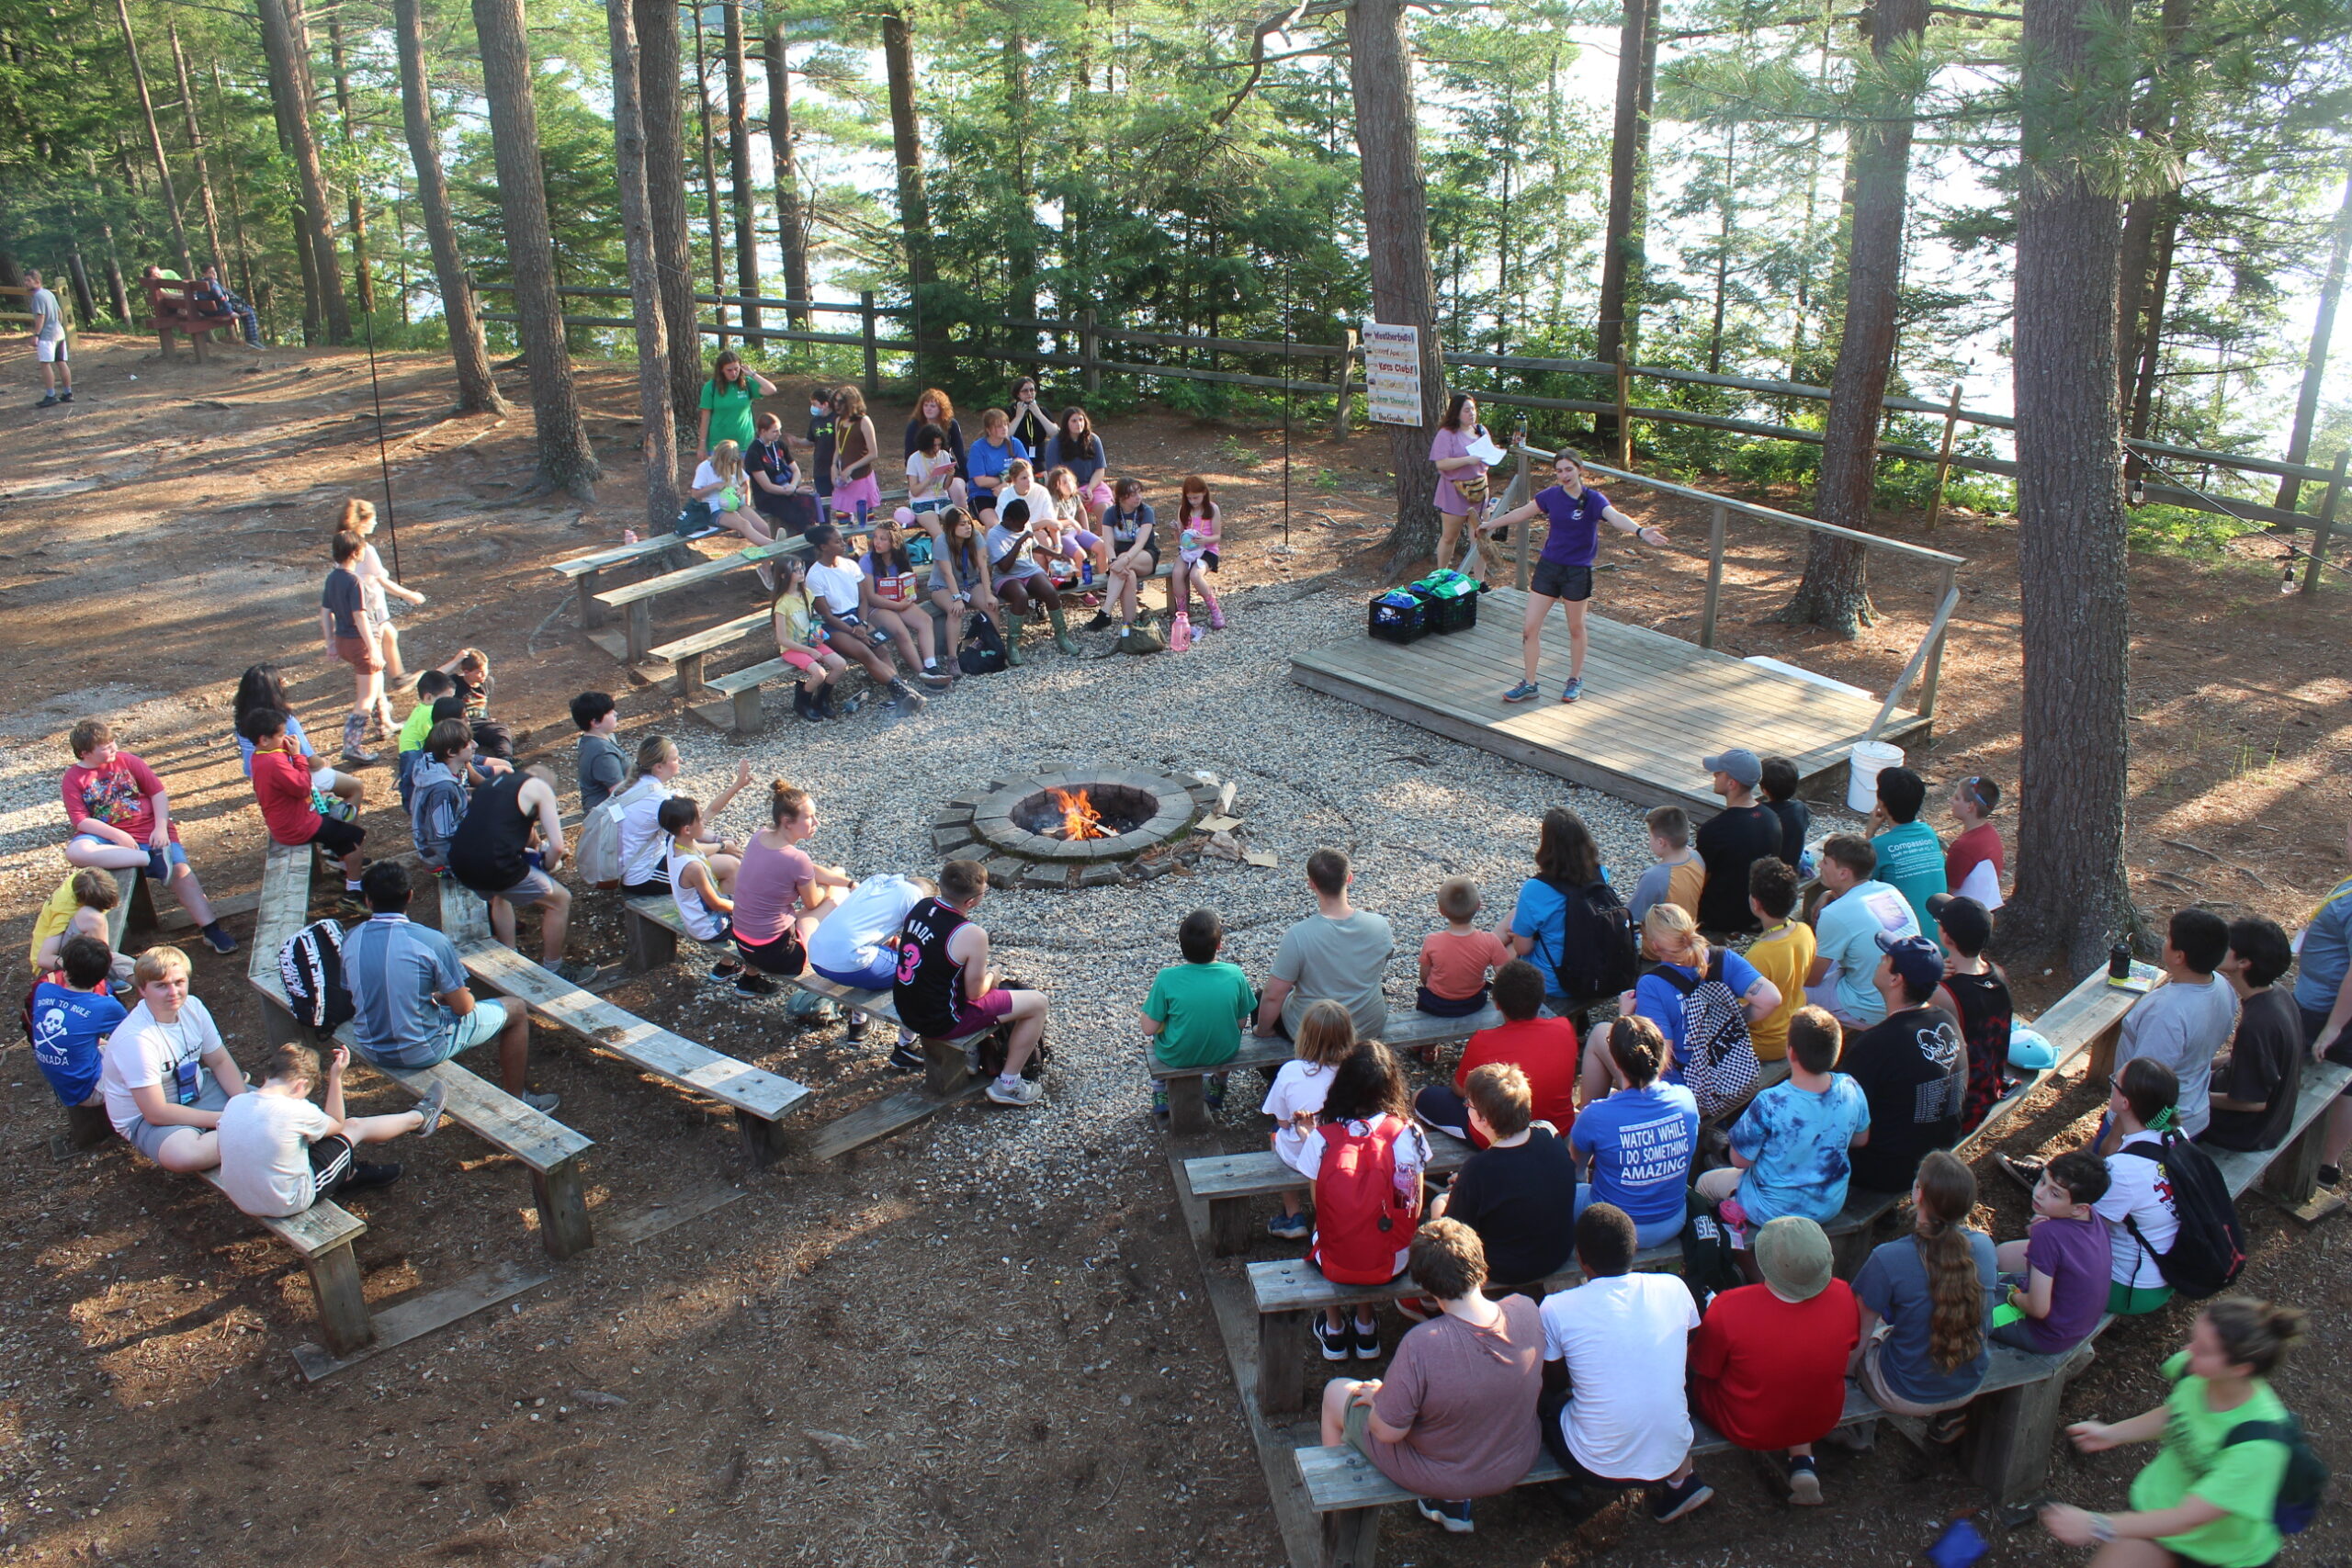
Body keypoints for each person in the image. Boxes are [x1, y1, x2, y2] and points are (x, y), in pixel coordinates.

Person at [2039, 1296, 2308, 1568]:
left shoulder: (2257, 1445)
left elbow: (2189, 1517)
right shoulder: (2198, 1373)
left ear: (2241, 1369)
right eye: (2194, 1340)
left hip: (2221, 1555)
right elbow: (2179, 1414)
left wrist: (2097, 1525)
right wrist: (2112, 1434)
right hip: (2157, 1513)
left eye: (2203, 1350)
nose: (2188, 1351)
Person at [1317, 1218, 1544, 1537]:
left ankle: (1338, 1515)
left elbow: (1387, 1431)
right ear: (1481, 1264)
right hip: (1514, 1458)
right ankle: (1451, 1505)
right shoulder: (1526, 1309)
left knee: (1335, 1392)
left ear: (1426, 1287)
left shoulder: (1424, 1343)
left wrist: (1382, 1397)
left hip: (1443, 1472)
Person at [1537, 1202, 1714, 1523]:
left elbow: (1554, 1384)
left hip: (1594, 1465)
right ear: (1634, 1248)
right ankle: (1680, 1482)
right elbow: (1689, 1338)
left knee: (1544, 1405)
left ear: (1580, 1257)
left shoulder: (1555, 1307)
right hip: (1671, 1452)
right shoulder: (1674, 1286)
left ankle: (1565, 1486)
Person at [343, 862, 553, 1111]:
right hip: (421, 1049)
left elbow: (355, 989)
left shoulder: (351, 938)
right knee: (516, 1009)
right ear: (410, 896)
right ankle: (519, 1099)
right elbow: (464, 1008)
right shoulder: (431, 941)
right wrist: (453, 996)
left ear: (368, 901)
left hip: (371, 1045)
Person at [1690, 1215, 1860, 1505]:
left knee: (1693, 1377)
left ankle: (1680, 1478)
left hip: (1747, 1424)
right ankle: (1802, 1460)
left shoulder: (1730, 1307)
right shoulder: (1844, 1294)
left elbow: (1704, 1367)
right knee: (1796, 1373)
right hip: (1821, 1417)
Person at [1476, 449, 1667, 705]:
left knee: (1575, 628)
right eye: (1559, 471)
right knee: (1529, 628)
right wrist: (1492, 524)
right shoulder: (1551, 496)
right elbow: (1523, 512)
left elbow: (1615, 517)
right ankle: (1530, 683)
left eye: (1569, 469)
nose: (1564, 475)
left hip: (1577, 572)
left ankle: (1575, 680)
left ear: (1580, 470)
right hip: (1549, 567)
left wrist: (1641, 531)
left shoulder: (1593, 500)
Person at [1850, 1150, 1997, 1437]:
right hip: (1968, 1384)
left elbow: (1857, 1333)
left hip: (1904, 1392)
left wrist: (1843, 1378)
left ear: (1919, 1193)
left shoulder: (1888, 1257)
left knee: (1871, 1327)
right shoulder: (1984, 1247)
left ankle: (1855, 1430)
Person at [59, 718, 236, 953]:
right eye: (105, 747)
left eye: (113, 743)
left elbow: (158, 793)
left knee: (181, 871)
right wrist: (117, 835)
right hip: (109, 837)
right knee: (75, 851)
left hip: (149, 829)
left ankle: (211, 930)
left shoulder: (128, 760)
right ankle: (149, 859)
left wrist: (160, 828)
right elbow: (80, 819)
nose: (113, 749)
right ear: (85, 753)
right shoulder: (73, 778)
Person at [1580, 903, 1778, 1107]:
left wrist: (1626, 1018)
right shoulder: (1723, 958)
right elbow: (1770, 999)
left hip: (1687, 1092)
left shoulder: (1652, 985)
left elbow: (1657, 1062)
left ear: (1655, 945)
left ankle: (1586, 1118)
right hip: (1733, 1072)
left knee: (1599, 1033)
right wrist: (1733, 1020)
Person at [1302, 1043, 1428, 1359]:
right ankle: (1366, 1327)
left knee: (1322, 1231)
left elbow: (1321, 1206)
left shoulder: (1323, 1137)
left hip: (1337, 1261)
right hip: (1393, 1260)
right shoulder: (1407, 1135)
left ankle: (1333, 1330)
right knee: (1374, 1229)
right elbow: (1411, 1204)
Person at [1695, 1007, 1871, 1231]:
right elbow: (1860, 1139)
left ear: (1792, 1052)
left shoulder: (1770, 1102)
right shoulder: (1850, 1087)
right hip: (1827, 1204)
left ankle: (1717, 1237)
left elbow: (1740, 1160)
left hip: (1771, 1210)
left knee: (1704, 1183)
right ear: (1837, 1050)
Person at [217, 1043, 441, 1217]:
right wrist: (336, 1076)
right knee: (354, 1127)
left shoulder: (236, 1103)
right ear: (300, 1085)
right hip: (287, 1200)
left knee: (301, 1141)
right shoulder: (294, 1109)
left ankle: (350, 1174)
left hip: (243, 1199)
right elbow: (337, 1124)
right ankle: (420, 1119)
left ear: (268, 1077)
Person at [894, 859, 1049, 1106]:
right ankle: (1007, 1085)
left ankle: (973, 1053)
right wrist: (992, 976)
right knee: (1038, 1004)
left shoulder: (922, 906)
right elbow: (976, 993)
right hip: (940, 1020)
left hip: (906, 1006)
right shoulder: (971, 934)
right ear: (971, 902)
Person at [1427, 1063, 1578, 1289]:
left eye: (1468, 1105)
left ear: (1483, 1119)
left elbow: (1457, 1230)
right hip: (1557, 1252)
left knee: (1439, 1204)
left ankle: (1427, 1302)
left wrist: (1455, 1195)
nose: (1466, 1108)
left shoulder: (1478, 1170)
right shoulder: (1550, 1136)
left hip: (1504, 1268)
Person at [98, 946, 247, 1172]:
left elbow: (220, 1061)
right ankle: (250, 1133)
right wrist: (227, 1119)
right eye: (161, 985)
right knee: (184, 1156)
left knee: (276, 1109)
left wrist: (244, 1104)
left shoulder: (193, 1007)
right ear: (142, 990)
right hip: (148, 1117)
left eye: (179, 982)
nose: (173, 992)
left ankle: (244, 1133)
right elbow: (156, 1112)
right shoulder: (136, 1039)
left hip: (198, 1089)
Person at [446, 763, 597, 985]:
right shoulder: (540, 788)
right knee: (560, 900)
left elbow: (511, 828)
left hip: (459, 861)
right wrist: (547, 865)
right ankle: (554, 968)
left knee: (499, 893)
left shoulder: (494, 784)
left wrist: (533, 849)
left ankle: (511, 956)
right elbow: (556, 847)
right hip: (495, 864)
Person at [1841, 932, 1968, 1196]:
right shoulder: (1946, 1020)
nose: (1879, 960)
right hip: (1936, 1155)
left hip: (1886, 1170)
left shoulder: (1875, 1045)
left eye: (1885, 958)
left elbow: (1838, 1113)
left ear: (1895, 979)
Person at [1564, 1017, 1698, 1248]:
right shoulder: (1685, 1099)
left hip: (1613, 1228)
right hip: (1672, 1219)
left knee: (1564, 1190)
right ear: (1662, 1052)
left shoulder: (1595, 1115)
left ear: (1615, 1062)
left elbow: (1574, 1171)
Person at [2106, 908, 2237, 1145]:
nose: (2164, 941)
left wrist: (2115, 1137)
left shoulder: (2167, 1013)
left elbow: (2143, 1087)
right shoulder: (2222, 987)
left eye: (2168, 938)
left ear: (2179, 956)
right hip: (2192, 1112)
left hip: (2148, 1128)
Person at [1416, 960, 1579, 1146]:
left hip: (1497, 1135)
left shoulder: (1483, 1041)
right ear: (1541, 998)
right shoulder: (1564, 1028)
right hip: (1556, 1129)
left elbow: (1461, 1089)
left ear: (1497, 1004)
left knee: (1420, 1096)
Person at [1255, 850, 1395, 1043]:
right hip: (1367, 1026)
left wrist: (1262, 1030)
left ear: (1312, 883)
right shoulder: (1380, 925)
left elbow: (1273, 996)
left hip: (1315, 1033)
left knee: (1260, 998)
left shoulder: (1298, 935)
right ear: (1350, 878)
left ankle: (1276, 1071)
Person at [241, 707, 368, 914]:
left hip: (286, 821)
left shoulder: (259, 756)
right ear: (264, 739)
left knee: (340, 830)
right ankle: (352, 892)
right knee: (354, 843)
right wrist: (298, 757)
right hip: (297, 826)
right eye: (281, 735)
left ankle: (342, 866)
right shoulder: (274, 763)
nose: (285, 739)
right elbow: (301, 787)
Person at [2199, 917, 2304, 1154]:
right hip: (2273, 1117)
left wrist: (2195, 1096)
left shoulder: (2258, 1024)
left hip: (2246, 1131)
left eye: (2225, 945)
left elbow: (2252, 1103)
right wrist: (2202, 1065)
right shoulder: (2278, 995)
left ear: (2244, 962)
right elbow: (2250, 1059)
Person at [1991, 1151, 2113, 1356]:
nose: (2039, 1193)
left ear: (2078, 1208)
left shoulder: (2048, 1235)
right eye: (2042, 1181)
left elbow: (2038, 1308)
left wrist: (2014, 1298)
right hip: (2074, 1326)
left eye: (2055, 1193)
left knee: (1952, 1306)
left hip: (2042, 1334)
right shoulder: (2092, 1218)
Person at [1142, 908, 1260, 1119]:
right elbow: (1241, 1023)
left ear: (1181, 946)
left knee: (1160, 1031)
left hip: (1176, 1055)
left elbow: (1148, 1028)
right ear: (1219, 945)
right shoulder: (1235, 974)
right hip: (1223, 1051)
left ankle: (1160, 1090)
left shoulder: (1166, 978)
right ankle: (1218, 1083)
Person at [732, 779, 851, 986]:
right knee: (837, 898)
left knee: (836, 881)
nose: (817, 822)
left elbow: (810, 870)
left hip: (743, 943)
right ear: (787, 822)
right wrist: (830, 887)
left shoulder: (759, 836)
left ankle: (749, 982)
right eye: (809, 818)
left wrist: (843, 880)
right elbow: (813, 903)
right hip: (779, 956)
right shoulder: (796, 859)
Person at [806, 524, 932, 710]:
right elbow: (826, 614)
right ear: (824, 547)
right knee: (865, 652)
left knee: (881, 649)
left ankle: (901, 694)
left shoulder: (850, 565)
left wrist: (863, 625)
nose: (843, 544)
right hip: (833, 625)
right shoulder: (815, 576)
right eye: (838, 541)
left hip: (857, 618)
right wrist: (854, 631)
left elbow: (864, 599)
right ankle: (904, 692)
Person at [1498, 807, 1611, 1010]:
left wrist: (1517, 935)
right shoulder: (1601, 873)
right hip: (1595, 967)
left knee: (1502, 952)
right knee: (1518, 915)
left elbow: (1523, 949)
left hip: (1556, 981)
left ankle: (1471, 962)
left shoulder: (1536, 888)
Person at [657, 795, 771, 994]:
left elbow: (709, 816)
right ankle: (749, 982)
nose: (704, 822)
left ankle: (725, 967)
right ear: (687, 829)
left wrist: (722, 843)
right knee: (763, 925)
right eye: (699, 819)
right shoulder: (692, 867)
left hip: (696, 915)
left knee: (743, 889)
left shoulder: (675, 842)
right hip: (707, 925)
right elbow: (716, 903)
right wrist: (747, 910)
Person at [1263, 999, 1357, 1240]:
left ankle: (1293, 1214)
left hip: (1304, 1151)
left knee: (1276, 1133)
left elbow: (1283, 1122)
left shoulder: (1291, 1071)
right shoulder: (1356, 1072)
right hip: (1347, 1154)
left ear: (1304, 1034)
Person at [1805, 834, 1922, 1026]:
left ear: (1843, 874)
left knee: (1791, 987)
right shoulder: (1888, 890)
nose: (1820, 866)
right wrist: (1830, 894)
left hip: (1868, 1008)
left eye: (1825, 862)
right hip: (1903, 996)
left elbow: (1812, 978)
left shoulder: (1836, 914)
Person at [615, 738, 752, 897]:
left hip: (629, 864)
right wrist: (721, 846)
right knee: (731, 865)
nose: (680, 760)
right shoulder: (661, 800)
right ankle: (721, 916)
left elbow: (698, 825)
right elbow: (689, 845)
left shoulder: (634, 786)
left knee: (712, 846)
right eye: (674, 758)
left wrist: (717, 839)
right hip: (643, 876)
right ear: (659, 767)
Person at [2293, 822, 2352, 1183]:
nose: (2346, 841)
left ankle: (2323, 1163)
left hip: (2326, 1009)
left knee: (2341, 1082)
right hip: (2324, 1004)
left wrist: (2333, 1025)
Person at [1928, 893, 2016, 1131]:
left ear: (1946, 938)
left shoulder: (1943, 993)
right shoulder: (1997, 972)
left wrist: (1927, 982)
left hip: (1961, 1108)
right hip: (1991, 1084)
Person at [232, 663, 364, 812]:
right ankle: (346, 831)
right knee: (355, 788)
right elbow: (312, 762)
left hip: (261, 778)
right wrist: (324, 763)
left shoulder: (241, 720)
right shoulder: (284, 720)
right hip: (290, 777)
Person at [30, 935, 127, 1111]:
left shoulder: (44, 991)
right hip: (89, 1090)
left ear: (65, 970)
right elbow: (135, 1044)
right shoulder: (105, 1006)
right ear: (102, 977)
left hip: (66, 1085)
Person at [321, 529, 393, 761]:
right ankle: (352, 746)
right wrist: (372, 649)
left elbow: (324, 612)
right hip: (359, 642)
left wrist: (330, 642)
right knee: (366, 696)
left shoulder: (332, 578)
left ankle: (383, 725)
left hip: (343, 640)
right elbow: (360, 615)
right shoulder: (354, 581)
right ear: (354, 553)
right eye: (362, 549)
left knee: (375, 684)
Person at [858, 516, 954, 689]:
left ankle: (931, 665)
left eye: (883, 539)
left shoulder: (900, 558)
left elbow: (908, 583)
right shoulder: (867, 560)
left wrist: (909, 597)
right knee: (900, 630)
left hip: (898, 601)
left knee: (925, 620)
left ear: (893, 542)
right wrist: (898, 606)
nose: (877, 543)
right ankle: (922, 673)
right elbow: (870, 597)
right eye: (876, 537)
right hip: (876, 606)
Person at [1694, 748, 1782, 934]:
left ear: (1731, 783)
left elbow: (1701, 878)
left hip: (1719, 917)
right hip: (1756, 910)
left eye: (1718, 773)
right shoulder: (1772, 818)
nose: (1714, 775)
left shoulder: (1714, 829)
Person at [340, 498, 425, 679]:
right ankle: (379, 691)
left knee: (389, 634)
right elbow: (382, 581)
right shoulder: (365, 549)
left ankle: (398, 677)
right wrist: (409, 594)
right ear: (362, 522)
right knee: (375, 647)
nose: (376, 522)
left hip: (361, 602)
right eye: (373, 519)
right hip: (369, 604)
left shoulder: (343, 544)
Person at [1744, 857, 1815, 1070]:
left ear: (1756, 903)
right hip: (1796, 1031)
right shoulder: (1805, 931)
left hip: (1765, 1043)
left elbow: (1744, 1012)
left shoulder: (1759, 954)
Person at [765, 555, 852, 722]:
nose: (801, 572)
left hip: (811, 643)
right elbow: (782, 639)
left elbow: (812, 620)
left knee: (840, 664)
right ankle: (802, 702)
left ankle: (822, 700)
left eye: (801, 568)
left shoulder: (806, 593)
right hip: (792, 648)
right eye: (795, 570)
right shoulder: (782, 604)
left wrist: (817, 636)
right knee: (819, 674)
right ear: (783, 575)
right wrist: (810, 651)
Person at [1416, 877, 1511, 1021]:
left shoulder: (1433, 940)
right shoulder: (1490, 940)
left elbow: (1424, 976)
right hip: (1473, 1002)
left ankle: (1423, 1043)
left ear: (1441, 911)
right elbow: (1504, 975)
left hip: (1437, 1004)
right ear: (1479, 906)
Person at [1867, 766, 1948, 935]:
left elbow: (1859, 884)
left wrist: (1870, 834)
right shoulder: (1928, 832)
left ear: (1881, 802)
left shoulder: (1878, 846)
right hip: (1944, 937)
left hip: (1908, 944)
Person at [1426, 392, 1495, 581]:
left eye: (1473, 409)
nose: (1471, 413)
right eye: (1466, 410)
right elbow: (1441, 464)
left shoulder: (1481, 431)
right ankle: (1442, 576)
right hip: (1454, 492)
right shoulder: (1446, 434)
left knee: (1480, 538)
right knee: (1449, 537)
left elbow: (1489, 455)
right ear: (1456, 413)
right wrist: (1468, 460)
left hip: (1480, 492)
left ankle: (1479, 581)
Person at [28, 870, 131, 988]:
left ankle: (147, 977)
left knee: (116, 960)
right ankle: (102, 977)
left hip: (76, 953)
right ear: (83, 901)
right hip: (53, 968)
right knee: (93, 919)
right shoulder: (64, 911)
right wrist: (86, 968)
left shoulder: (86, 877)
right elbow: (44, 959)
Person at [407, 719, 479, 876]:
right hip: (442, 860)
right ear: (451, 752)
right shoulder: (442, 789)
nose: (475, 745)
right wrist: (460, 867)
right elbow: (440, 839)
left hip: (449, 845)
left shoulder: (436, 768)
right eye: (468, 743)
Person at [687, 440, 776, 562]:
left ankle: (767, 566)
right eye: (729, 463)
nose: (731, 466)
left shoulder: (735, 465)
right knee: (744, 524)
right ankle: (776, 545)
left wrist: (741, 490)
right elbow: (695, 494)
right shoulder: (704, 468)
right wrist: (714, 486)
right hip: (714, 508)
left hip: (735, 501)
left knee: (764, 527)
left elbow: (745, 482)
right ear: (721, 458)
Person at [926, 506, 997, 659]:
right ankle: (953, 657)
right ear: (952, 527)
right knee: (955, 611)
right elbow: (947, 573)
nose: (968, 527)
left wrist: (988, 594)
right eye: (962, 524)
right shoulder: (941, 541)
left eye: (969, 523)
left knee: (991, 606)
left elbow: (983, 567)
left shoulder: (976, 537)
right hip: (942, 586)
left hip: (969, 583)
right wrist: (956, 598)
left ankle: (995, 648)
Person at [1091, 478, 1159, 634]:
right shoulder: (1110, 513)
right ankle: (1128, 627)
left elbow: (1141, 543)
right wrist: (1114, 561)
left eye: (1139, 492)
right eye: (1133, 494)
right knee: (1128, 576)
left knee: (1123, 564)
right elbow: (1107, 542)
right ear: (1121, 497)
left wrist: (1121, 561)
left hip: (1145, 557)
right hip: (1121, 561)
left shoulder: (1146, 511)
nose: (1138, 497)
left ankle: (1105, 612)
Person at [1628, 806, 1703, 929]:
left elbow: (1631, 915)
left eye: (1650, 836)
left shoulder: (1654, 877)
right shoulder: (1697, 858)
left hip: (1662, 943)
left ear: (1661, 842)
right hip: (1689, 930)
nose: (1649, 841)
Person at [1168, 476, 1225, 630]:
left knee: (1195, 575)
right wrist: (1176, 531)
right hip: (1188, 550)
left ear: (1204, 493)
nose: (1193, 501)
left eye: (1196, 497)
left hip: (1208, 550)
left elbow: (1217, 536)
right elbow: (1180, 538)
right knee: (1177, 573)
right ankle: (1182, 612)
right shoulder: (1184, 510)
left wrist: (1205, 539)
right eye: (1190, 498)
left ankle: (1215, 610)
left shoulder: (1212, 509)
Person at [696, 348, 774, 457]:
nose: (734, 373)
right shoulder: (711, 387)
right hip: (718, 446)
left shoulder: (747, 383)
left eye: (736, 369)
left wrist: (752, 374)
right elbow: (705, 418)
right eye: (729, 370)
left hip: (745, 444)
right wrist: (702, 445)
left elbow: (771, 390)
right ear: (721, 370)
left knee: (744, 474)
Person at [902, 388, 968, 507]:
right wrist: (912, 478)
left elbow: (960, 454)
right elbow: (908, 455)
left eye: (932, 406)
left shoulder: (951, 424)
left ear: (941, 408)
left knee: (958, 489)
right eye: (925, 405)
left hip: (946, 465)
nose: (928, 408)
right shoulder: (914, 425)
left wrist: (968, 478)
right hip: (922, 468)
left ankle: (961, 520)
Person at [745, 412, 807, 536]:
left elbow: (795, 470)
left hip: (788, 489)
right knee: (798, 515)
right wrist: (791, 491)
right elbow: (767, 486)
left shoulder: (779, 445)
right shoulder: (754, 452)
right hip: (768, 497)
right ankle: (795, 549)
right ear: (763, 431)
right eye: (775, 431)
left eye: (779, 430)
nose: (779, 434)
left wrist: (793, 486)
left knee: (810, 506)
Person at [1945, 773, 2005, 903]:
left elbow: (1949, 891)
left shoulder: (1963, 847)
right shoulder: (1991, 833)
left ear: (1970, 807)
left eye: (1957, 798)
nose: (1951, 800)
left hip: (1964, 914)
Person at [829, 386, 882, 529]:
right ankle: (853, 551)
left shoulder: (864, 421)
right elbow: (838, 448)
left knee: (865, 522)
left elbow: (873, 453)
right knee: (843, 520)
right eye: (834, 401)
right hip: (844, 480)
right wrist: (833, 466)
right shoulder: (838, 420)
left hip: (861, 478)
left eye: (839, 401)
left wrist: (851, 468)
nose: (836, 405)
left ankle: (868, 550)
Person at [965, 406, 1028, 525]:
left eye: (1005, 424)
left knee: (1020, 524)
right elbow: (980, 481)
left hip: (1012, 492)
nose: (1004, 428)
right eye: (999, 426)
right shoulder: (978, 448)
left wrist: (1006, 484)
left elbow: (1027, 471)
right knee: (994, 525)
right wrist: (1005, 480)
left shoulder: (1015, 443)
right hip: (983, 495)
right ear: (988, 430)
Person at [570, 692, 625, 815]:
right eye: (609, 712)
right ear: (595, 722)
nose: (615, 713)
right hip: (608, 819)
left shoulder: (590, 742)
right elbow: (618, 792)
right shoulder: (602, 752)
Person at [26, 266, 72, 407]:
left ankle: (51, 395)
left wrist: (36, 335)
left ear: (37, 281)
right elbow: (59, 312)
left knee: (45, 364)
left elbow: (41, 316)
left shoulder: (38, 296)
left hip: (47, 336)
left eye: (28, 281)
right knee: (61, 362)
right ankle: (67, 393)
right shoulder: (49, 294)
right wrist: (58, 325)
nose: (26, 283)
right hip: (59, 333)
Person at [1758, 755, 1810, 870]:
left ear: (1764, 790)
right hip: (1792, 868)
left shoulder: (1760, 814)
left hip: (1765, 872)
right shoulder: (1800, 808)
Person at [192, 264, 263, 346]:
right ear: (204, 274)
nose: (214, 274)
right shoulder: (212, 284)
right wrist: (230, 312)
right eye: (210, 272)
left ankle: (252, 339)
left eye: (214, 271)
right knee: (249, 311)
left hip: (209, 311)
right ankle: (252, 339)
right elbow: (221, 298)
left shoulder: (200, 283)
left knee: (245, 310)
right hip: (219, 310)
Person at [798, 382, 838, 517]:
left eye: (815, 404)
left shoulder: (838, 419)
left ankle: (848, 533)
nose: (813, 407)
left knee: (843, 504)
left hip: (837, 468)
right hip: (820, 469)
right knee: (823, 505)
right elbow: (810, 441)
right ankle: (825, 531)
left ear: (825, 404)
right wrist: (796, 442)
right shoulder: (815, 421)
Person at [906, 423, 958, 518]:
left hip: (942, 499)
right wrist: (930, 477)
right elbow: (914, 492)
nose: (937, 449)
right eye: (933, 446)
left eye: (939, 445)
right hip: (921, 501)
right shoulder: (914, 459)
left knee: (956, 518)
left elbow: (945, 487)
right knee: (933, 523)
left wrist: (950, 475)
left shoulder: (944, 455)